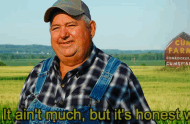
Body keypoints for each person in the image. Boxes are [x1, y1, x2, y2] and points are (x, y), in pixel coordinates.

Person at [15, 0, 157, 123]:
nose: (63, 34)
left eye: (71, 25)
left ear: (91, 28)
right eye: (56, 28)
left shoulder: (119, 76)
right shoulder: (37, 73)